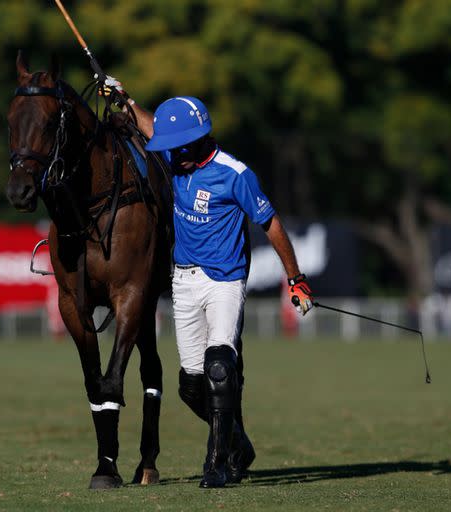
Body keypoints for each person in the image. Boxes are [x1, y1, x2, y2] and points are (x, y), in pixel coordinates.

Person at [104, 79, 314, 488]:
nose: (171, 154)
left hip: (225, 281)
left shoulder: (235, 175)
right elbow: (150, 128)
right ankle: (238, 441)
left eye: (178, 147)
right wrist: (123, 98)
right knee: (189, 385)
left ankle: (218, 464)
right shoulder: (176, 154)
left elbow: (271, 224)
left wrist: (296, 279)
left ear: (198, 142)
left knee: (220, 368)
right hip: (183, 281)